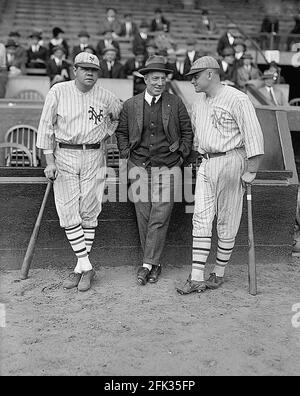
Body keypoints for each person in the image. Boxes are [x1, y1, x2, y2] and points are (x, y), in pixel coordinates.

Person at [176, 56, 264, 294]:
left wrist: (251, 170)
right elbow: (197, 138)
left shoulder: (237, 99)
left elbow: (254, 136)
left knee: (227, 221)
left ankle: (219, 272)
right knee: (201, 219)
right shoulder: (199, 102)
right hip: (207, 162)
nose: (192, 81)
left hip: (232, 160)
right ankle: (196, 277)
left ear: (211, 74)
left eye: (195, 76)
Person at [36, 52, 122, 291]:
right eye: (85, 69)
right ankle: (87, 266)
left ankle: (79, 269)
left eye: (94, 70)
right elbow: (45, 127)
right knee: (67, 210)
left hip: (94, 155)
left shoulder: (107, 96)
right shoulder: (58, 91)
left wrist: (105, 133)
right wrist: (49, 160)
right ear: (75, 70)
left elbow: (117, 118)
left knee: (90, 210)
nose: (90, 74)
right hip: (65, 153)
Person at [116, 55, 193, 285]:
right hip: (139, 166)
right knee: (144, 215)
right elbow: (121, 132)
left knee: (160, 214)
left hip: (169, 167)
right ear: (146, 79)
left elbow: (187, 131)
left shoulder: (175, 102)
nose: (160, 82)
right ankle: (154, 264)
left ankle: (146, 265)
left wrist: (180, 156)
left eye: (163, 78)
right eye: (155, 78)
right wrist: (125, 152)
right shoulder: (131, 104)